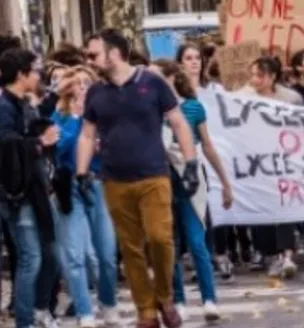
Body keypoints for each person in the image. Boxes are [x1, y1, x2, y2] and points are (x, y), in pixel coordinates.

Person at [77, 30, 199, 328]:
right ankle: (145, 310)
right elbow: (87, 133)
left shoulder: (152, 82)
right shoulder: (95, 92)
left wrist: (191, 163)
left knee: (160, 239)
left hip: (154, 174)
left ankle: (165, 295)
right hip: (114, 180)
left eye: (93, 55)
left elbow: (179, 122)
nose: (89, 61)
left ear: (114, 53)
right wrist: (81, 172)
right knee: (131, 248)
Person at [155, 61, 234, 323]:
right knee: (170, 243)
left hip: (189, 181)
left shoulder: (192, 108)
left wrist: (225, 182)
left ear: (171, 79)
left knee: (196, 240)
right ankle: (178, 299)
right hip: (161, 181)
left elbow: (208, 146)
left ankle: (209, 298)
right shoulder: (149, 112)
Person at [0, 48, 61, 328]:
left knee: (53, 254)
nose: (39, 75)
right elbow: (5, 146)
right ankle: (25, 319)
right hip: (20, 196)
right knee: (30, 258)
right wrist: (39, 143)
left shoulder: (23, 103)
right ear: (21, 74)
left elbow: (30, 128)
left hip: (39, 191)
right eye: (35, 70)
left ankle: (41, 307)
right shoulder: (2, 108)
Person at [50, 67, 120, 328]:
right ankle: (84, 310)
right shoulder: (61, 115)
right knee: (75, 254)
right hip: (69, 186)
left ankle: (108, 302)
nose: (82, 88)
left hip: (98, 183)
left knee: (106, 253)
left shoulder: (105, 113)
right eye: (78, 83)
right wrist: (75, 119)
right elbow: (57, 148)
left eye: (87, 83)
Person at [237, 57, 302, 278]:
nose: (255, 80)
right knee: (263, 209)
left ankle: (287, 255)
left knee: (285, 207)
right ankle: (269, 253)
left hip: (285, 161)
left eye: (260, 75)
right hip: (257, 164)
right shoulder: (243, 97)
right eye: (253, 74)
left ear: (272, 77)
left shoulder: (291, 98)